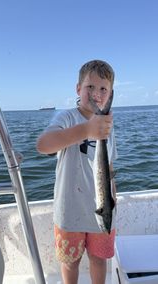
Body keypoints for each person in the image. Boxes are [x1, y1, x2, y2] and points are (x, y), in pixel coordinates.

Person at [36, 59, 117, 284]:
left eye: (103, 89)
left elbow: (109, 165)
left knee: (99, 260)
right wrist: (87, 129)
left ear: (110, 94)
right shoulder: (67, 118)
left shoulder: (109, 125)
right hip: (69, 211)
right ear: (78, 89)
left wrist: (113, 193)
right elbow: (43, 145)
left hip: (103, 209)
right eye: (89, 87)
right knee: (70, 261)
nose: (96, 94)